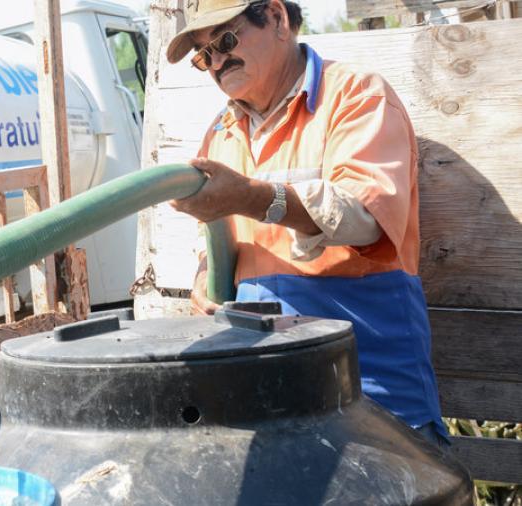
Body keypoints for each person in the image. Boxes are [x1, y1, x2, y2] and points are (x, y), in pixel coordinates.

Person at [166, 0, 449, 446]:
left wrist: (255, 197)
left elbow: (365, 217)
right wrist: (206, 273)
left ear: (277, 18)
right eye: (204, 56)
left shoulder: (356, 96)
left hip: (368, 386)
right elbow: (219, 242)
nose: (218, 61)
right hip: (268, 393)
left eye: (225, 39)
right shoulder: (219, 133)